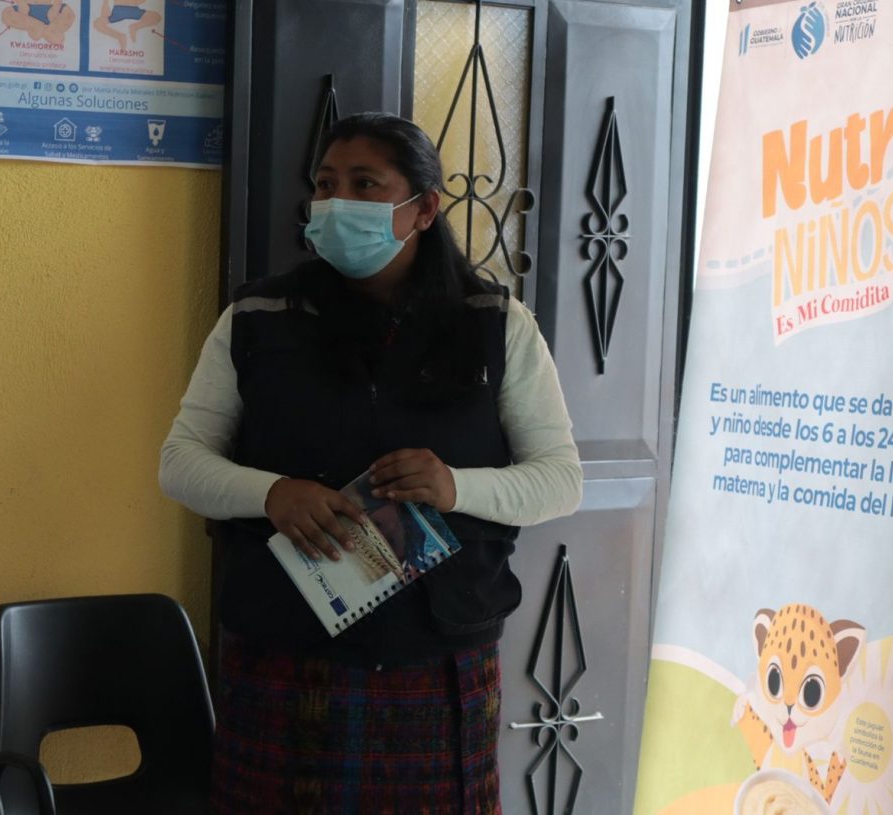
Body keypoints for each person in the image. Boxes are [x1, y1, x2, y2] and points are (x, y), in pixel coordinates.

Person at [159, 112, 582, 814]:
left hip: (438, 658)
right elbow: (180, 463)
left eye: (365, 184)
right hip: (284, 651)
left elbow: (560, 479)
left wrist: (455, 487)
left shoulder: (495, 323)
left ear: (425, 208)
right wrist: (272, 494)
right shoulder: (258, 316)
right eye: (326, 185)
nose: (337, 202)